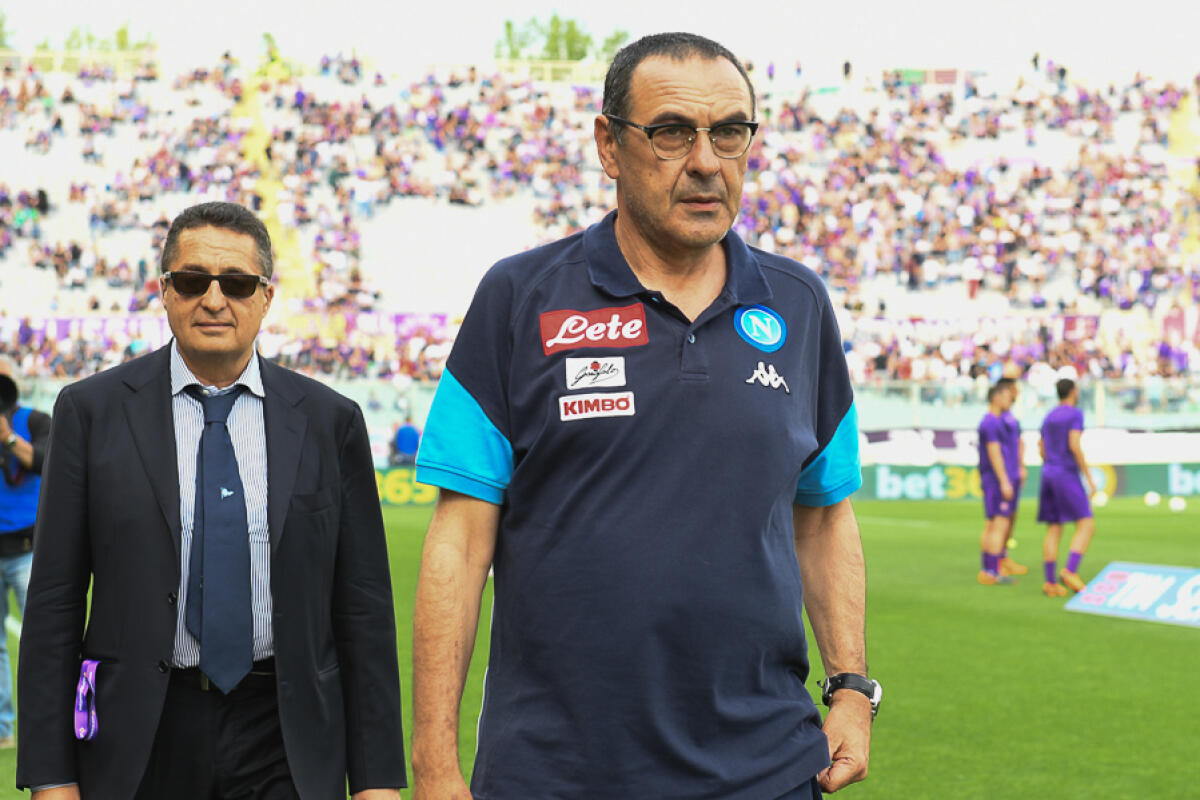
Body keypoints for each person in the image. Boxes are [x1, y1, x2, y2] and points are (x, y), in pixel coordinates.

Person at [412, 32, 876, 800]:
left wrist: (852, 687)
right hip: (556, 773)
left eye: (729, 132)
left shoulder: (799, 304)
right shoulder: (520, 298)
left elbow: (824, 518)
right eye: (671, 132)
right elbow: (459, 543)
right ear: (609, 144)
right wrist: (433, 764)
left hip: (767, 768)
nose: (705, 161)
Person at [17, 202, 406, 799]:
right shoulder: (90, 412)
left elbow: (363, 613)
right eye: (194, 281)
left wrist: (377, 780)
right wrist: (50, 777)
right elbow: (54, 605)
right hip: (141, 736)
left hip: (288, 736)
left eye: (239, 283)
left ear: (267, 297)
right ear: (166, 291)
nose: (215, 299)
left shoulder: (331, 421)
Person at [0, 357, 50, 749]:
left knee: (43, 640)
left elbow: (47, 463)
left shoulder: (35, 421)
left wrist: (8, 438)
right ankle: (4, 729)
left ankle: (49, 727)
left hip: (28, 548)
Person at [1037, 378, 1097, 596]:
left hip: (1048, 472)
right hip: (1066, 473)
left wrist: (1049, 463)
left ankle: (1050, 582)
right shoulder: (1074, 414)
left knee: (1054, 527)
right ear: (1073, 391)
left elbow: (1041, 446)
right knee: (1086, 523)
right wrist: (1088, 476)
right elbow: (1074, 444)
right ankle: (1070, 570)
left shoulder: (1049, 415)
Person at [977, 378, 1026, 583]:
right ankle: (991, 570)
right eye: (1007, 396)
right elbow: (994, 452)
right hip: (997, 479)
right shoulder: (991, 422)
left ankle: (990, 568)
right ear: (997, 397)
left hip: (997, 478)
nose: (1011, 400)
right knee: (999, 523)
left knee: (994, 523)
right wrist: (1004, 480)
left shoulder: (995, 421)